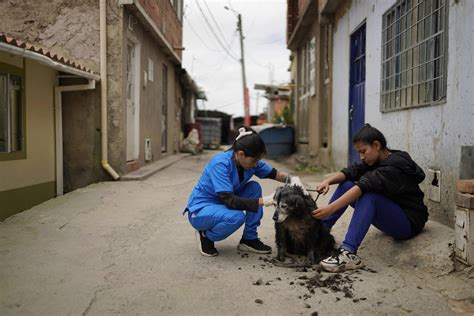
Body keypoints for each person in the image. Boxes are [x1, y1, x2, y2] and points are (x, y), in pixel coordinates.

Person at [312, 124, 428, 272]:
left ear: (376, 145)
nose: (361, 157)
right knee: (346, 184)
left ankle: (349, 253)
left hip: (407, 223)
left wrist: (330, 208)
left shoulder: (394, 166)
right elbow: (351, 172)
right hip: (392, 214)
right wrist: (327, 181)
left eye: (363, 151)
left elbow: (363, 186)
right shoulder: (376, 160)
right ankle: (320, 232)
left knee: (369, 196)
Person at [184, 126, 304, 257]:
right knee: (236, 217)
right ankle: (205, 236)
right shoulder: (220, 164)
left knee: (254, 188)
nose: (256, 165)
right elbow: (230, 201)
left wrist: (293, 179)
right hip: (202, 210)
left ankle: (249, 239)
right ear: (241, 154)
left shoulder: (250, 162)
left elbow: (275, 174)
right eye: (254, 161)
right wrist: (266, 201)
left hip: (222, 204)